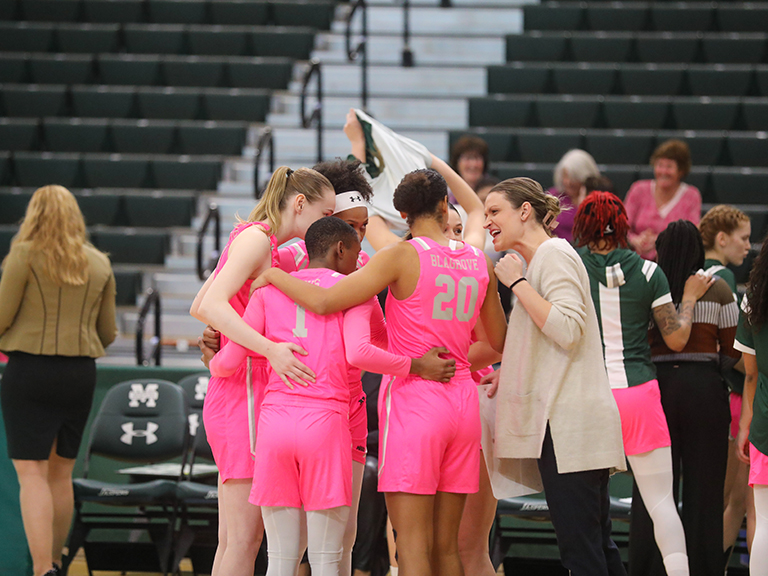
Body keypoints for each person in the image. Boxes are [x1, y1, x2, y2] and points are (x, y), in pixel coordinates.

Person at [251, 168, 508, 576]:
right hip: (462, 402)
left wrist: (274, 275)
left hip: (415, 401)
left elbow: (325, 301)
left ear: (402, 214)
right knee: (449, 547)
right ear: (445, 206)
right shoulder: (478, 260)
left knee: (411, 545)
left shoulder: (401, 256)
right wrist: (456, 363)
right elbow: (497, 341)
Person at [206, 217, 455, 576]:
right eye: (357, 251)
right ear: (341, 249)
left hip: (274, 424)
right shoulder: (354, 292)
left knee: (280, 558)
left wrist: (212, 360)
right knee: (327, 556)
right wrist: (416, 363)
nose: (361, 260)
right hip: (325, 424)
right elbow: (371, 349)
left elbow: (228, 361)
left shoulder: (267, 290)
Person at [190, 166, 336, 576]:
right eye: (325, 213)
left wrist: (232, 338)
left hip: (239, 386)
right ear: (300, 203)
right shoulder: (256, 239)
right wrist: (269, 348)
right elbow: (210, 305)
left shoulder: (260, 239)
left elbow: (202, 302)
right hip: (244, 391)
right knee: (244, 541)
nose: (329, 224)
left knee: (236, 541)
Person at [482, 177, 626, 576]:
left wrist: (518, 283)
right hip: (571, 425)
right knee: (597, 547)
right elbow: (548, 343)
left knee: (582, 553)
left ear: (524, 212)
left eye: (494, 212)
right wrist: (508, 373)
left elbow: (566, 329)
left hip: (570, 426)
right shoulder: (544, 257)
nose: (486, 222)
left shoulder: (552, 254)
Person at [574, 191, 716, 576]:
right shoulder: (651, 272)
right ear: (623, 225)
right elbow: (676, 340)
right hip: (638, 394)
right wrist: (687, 298)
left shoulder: (570, 267)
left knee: (586, 510)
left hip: (589, 398)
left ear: (584, 226)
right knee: (661, 504)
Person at [0, 185, 117, 576]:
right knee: (61, 471)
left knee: (30, 472)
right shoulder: (99, 262)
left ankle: (39, 570)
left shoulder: (24, 255)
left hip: (29, 371)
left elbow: (1, 316)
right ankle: (56, 564)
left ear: (33, 215)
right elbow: (108, 332)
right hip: (80, 373)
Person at [630, 220, 739, 576]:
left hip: (654, 391)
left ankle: (648, 569)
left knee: (652, 493)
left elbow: (635, 341)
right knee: (705, 494)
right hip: (704, 392)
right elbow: (732, 351)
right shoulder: (719, 288)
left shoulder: (646, 286)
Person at [698, 204, 755, 562]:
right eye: (744, 238)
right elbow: (735, 349)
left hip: (703, 393)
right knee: (733, 502)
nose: (749, 247)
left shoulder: (693, 269)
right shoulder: (725, 278)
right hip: (732, 397)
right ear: (722, 238)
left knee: (715, 501)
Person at [733, 239, 768, 575]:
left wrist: (745, 426)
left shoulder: (753, 298)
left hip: (764, 426)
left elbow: (751, 375)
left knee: (765, 521)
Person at [625, 140, 702, 260]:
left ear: (681, 170)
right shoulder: (638, 189)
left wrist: (659, 241)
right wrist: (635, 240)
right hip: (635, 260)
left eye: (669, 167)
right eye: (660, 165)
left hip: (672, 262)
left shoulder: (692, 195)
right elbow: (622, 227)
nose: (663, 172)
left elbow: (691, 234)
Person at [547, 149, 601, 243]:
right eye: (565, 176)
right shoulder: (553, 197)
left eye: (573, 178)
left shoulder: (598, 199)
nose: (568, 182)